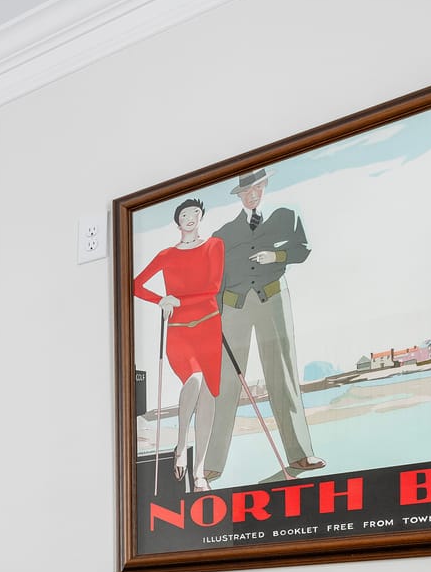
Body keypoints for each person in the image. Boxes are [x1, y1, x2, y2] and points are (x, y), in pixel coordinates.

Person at [205, 169, 325, 483]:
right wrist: (214, 319)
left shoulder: (286, 216)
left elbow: (303, 250)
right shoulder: (223, 233)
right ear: (239, 195)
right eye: (245, 191)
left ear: (264, 186)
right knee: (225, 385)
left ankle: (300, 454)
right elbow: (214, 280)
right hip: (234, 307)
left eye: (256, 187)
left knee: (282, 376)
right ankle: (211, 463)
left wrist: (277, 255)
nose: (251, 194)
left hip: (273, 300)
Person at [132, 198, 226, 490]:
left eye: (194, 213)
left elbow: (213, 287)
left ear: (201, 216)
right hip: (179, 331)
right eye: (184, 214)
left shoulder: (214, 246)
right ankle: (182, 444)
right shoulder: (167, 254)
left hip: (209, 327)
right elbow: (135, 285)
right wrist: (160, 299)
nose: (189, 218)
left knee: (210, 395)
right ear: (177, 221)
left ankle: (199, 472)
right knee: (195, 379)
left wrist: (179, 300)